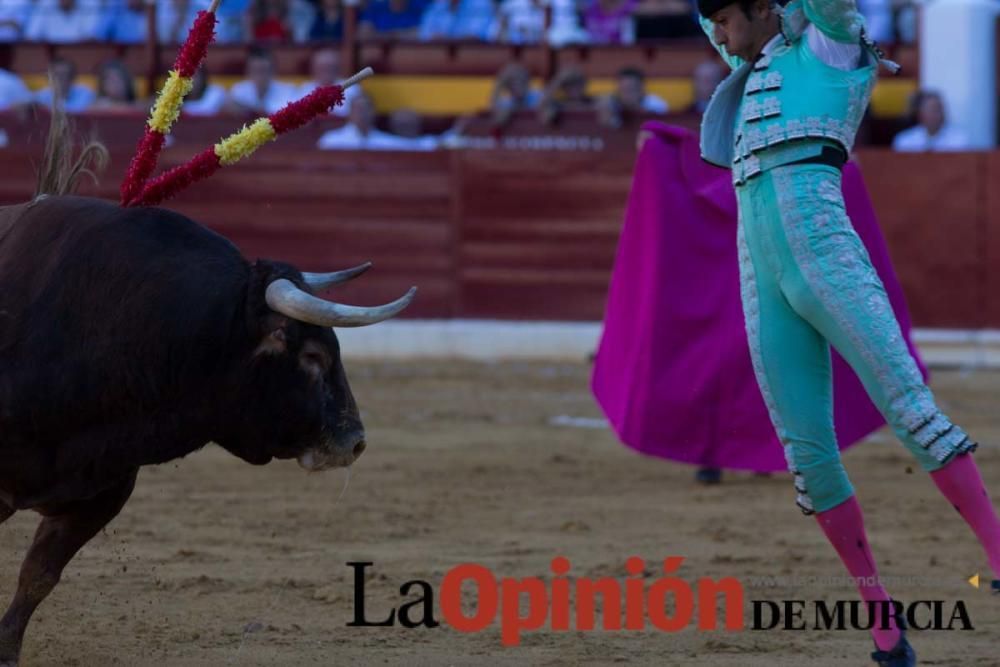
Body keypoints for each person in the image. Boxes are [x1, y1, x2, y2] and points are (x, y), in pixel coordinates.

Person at [695, 0, 1000, 665]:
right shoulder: (748, 59)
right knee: (807, 454)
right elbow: (719, 27)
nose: (717, 36)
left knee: (911, 409)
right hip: (763, 273)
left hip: (825, 253)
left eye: (724, 19)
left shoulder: (830, 45)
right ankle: (883, 621)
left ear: (765, 9)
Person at [316, 92, 410, 149]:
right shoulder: (331, 141)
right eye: (358, 109)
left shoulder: (389, 144)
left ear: (374, 113)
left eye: (366, 109)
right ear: (350, 114)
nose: (362, 113)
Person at [225, 46, 298, 116]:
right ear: (248, 72)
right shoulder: (238, 90)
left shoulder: (289, 92)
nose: (259, 76)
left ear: (273, 71)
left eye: (263, 70)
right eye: (255, 70)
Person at [891, 89, 971, 152]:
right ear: (921, 114)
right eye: (933, 109)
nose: (938, 114)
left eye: (940, 109)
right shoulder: (904, 141)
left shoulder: (959, 140)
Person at [596, 66, 669, 128]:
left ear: (641, 88)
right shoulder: (611, 103)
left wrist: (633, 107)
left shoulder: (655, 104)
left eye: (631, 89)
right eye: (623, 89)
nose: (626, 94)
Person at [298, 48, 360, 117]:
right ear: (313, 68)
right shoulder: (304, 89)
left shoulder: (352, 88)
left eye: (330, 67)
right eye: (322, 67)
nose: (326, 72)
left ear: (338, 68)